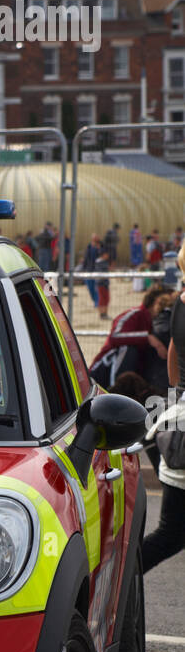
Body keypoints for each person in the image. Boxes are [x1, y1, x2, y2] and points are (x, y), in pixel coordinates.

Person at [143, 243, 185, 572]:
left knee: (170, 532)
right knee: (171, 533)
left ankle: (118, 584)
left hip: (178, 420)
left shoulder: (180, 302)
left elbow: (173, 359)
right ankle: (116, 585)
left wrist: (178, 397)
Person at [81, 234, 101, 309]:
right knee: (90, 288)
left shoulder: (100, 247)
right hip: (88, 270)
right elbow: (86, 258)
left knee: (96, 288)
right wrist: (83, 268)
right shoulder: (89, 247)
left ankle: (97, 303)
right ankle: (95, 301)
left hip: (96, 271)